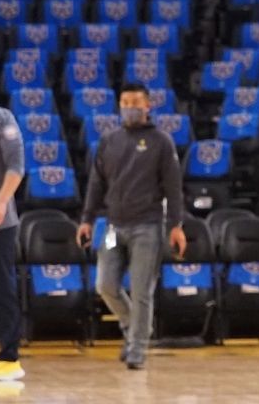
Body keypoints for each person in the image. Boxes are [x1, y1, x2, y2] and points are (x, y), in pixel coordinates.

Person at [77, 83, 186, 370]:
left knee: (141, 292)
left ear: (148, 106)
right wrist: (87, 219)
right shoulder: (109, 140)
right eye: (125, 102)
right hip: (113, 226)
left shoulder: (161, 141)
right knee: (105, 285)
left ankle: (137, 348)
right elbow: (96, 183)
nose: (130, 107)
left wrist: (176, 225)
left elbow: (174, 188)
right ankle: (134, 328)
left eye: (136, 102)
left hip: (147, 227)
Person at [0, 106, 24, 382]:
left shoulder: (2, 119)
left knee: (3, 286)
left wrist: (1, 201)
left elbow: (16, 166)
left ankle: (9, 357)